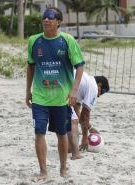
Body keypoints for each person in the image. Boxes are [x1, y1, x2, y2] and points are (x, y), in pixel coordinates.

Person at [26, 7, 85, 179]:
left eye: (50, 18)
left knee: (61, 133)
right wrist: (27, 91)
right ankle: (43, 171)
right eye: (44, 17)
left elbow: (79, 66)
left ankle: (63, 169)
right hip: (40, 96)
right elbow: (30, 66)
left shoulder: (67, 40)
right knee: (39, 133)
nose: (46, 20)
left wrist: (74, 90)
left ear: (58, 22)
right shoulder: (33, 41)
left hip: (61, 98)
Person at [67, 73, 109, 157]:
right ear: (99, 84)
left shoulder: (85, 82)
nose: (99, 95)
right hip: (61, 88)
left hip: (57, 85)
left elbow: (76, 110)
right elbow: (85, 114)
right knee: (72, 124)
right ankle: (75, 155)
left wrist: (90, 127)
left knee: (70, 120)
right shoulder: (93, 87)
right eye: (102, 92)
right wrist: (85, 137)